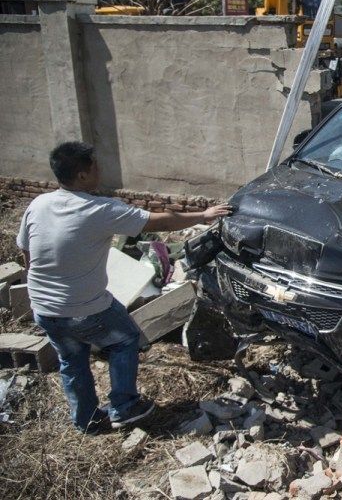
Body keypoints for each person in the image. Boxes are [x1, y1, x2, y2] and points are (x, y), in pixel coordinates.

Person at [17, 142, 232, 434]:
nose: (100, 170)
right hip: (84, 309)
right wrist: (203, 216)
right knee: (125, 338)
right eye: (95, 166)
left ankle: (87, 422)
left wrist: (40, 292)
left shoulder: (38, 204)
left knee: (72, 361)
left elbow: (27, 254)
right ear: (82, 176)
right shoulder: (99, 210)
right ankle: (125, 407)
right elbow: (157, 221)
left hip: (43, 308)